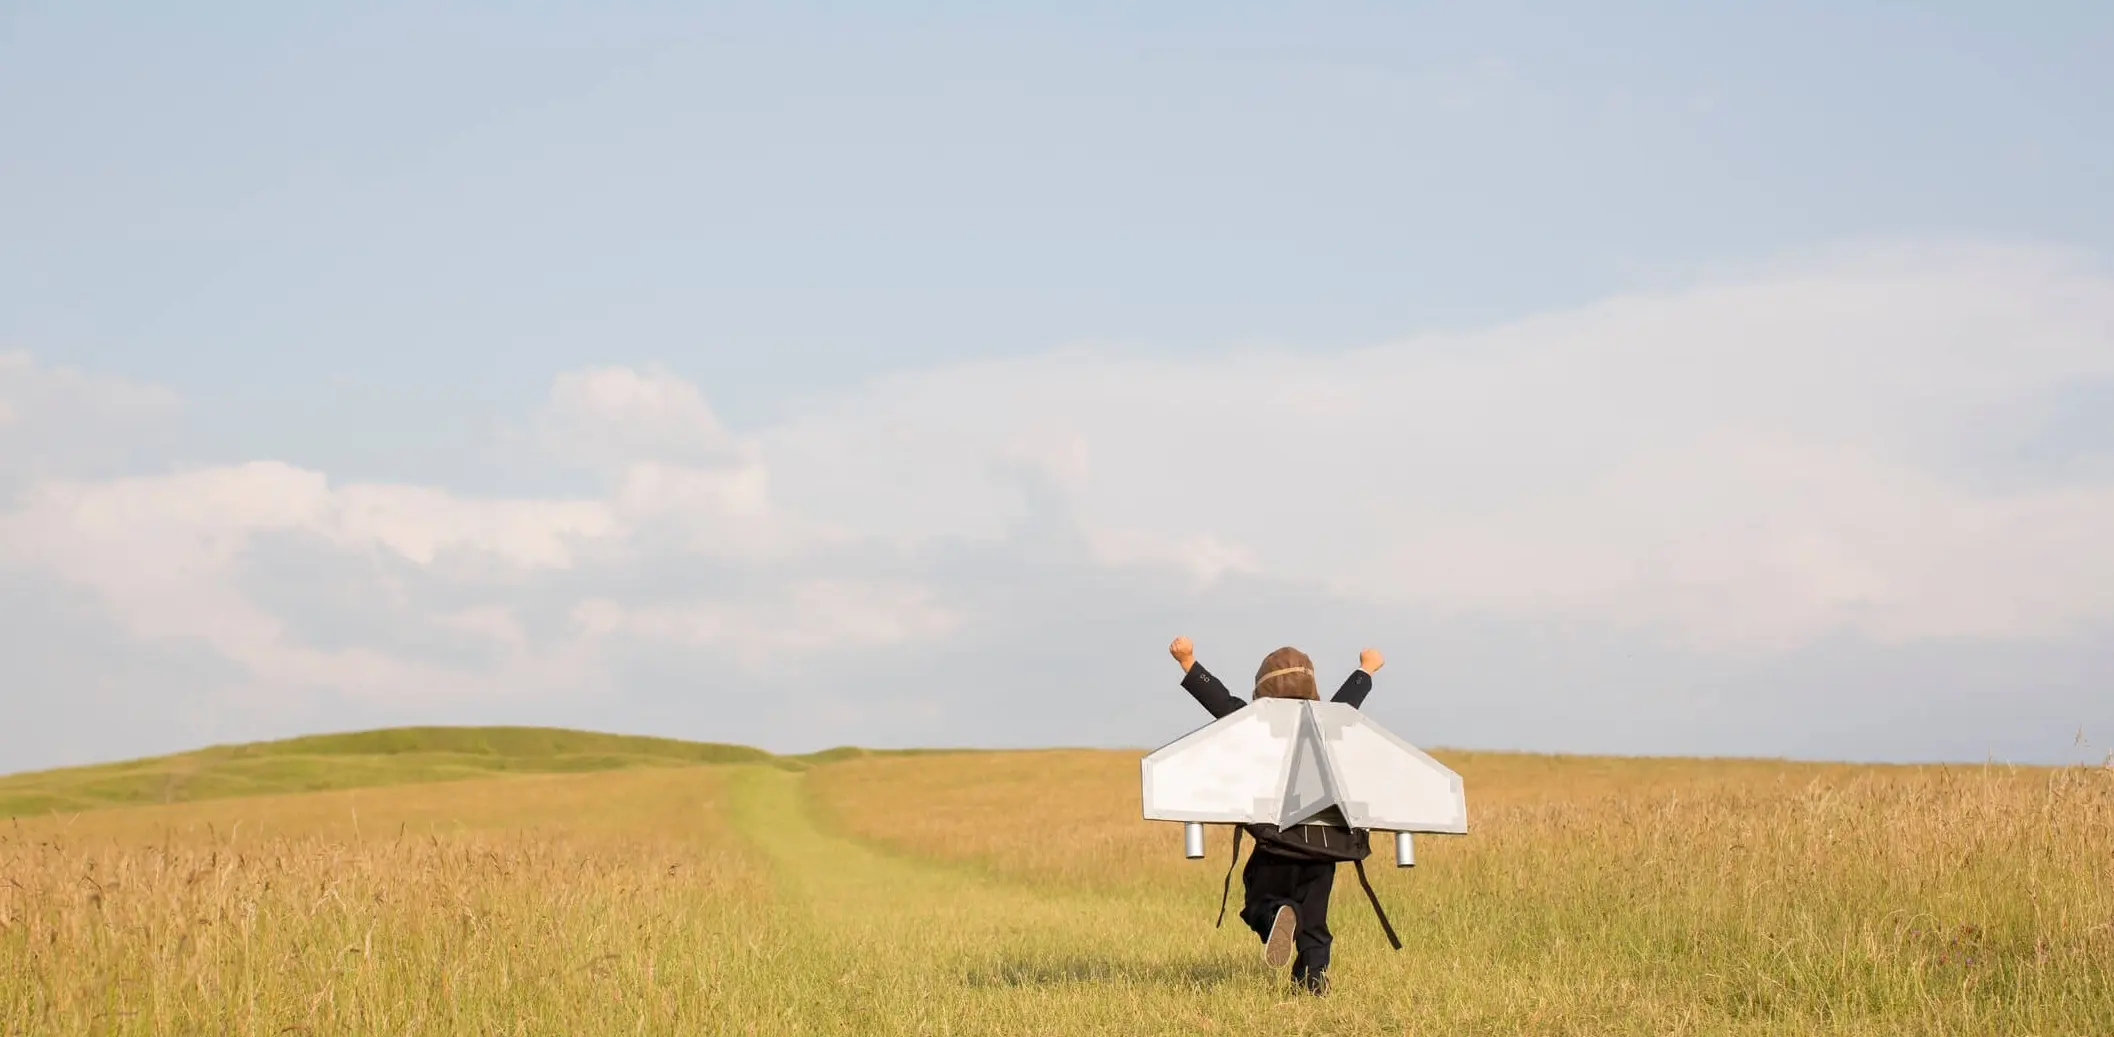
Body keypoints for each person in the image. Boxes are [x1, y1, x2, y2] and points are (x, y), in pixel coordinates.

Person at [1167, 635, 1385, 997]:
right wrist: (1366, 668)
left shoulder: (1255, 724)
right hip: (1325, 848)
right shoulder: (1328, 724)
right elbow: (1348, 703)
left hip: (1278, 843)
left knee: (1259, 901)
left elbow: (1218, 702)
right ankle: (1312, 982)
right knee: (1315, 923)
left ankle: (1276, 915)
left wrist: (1187, 661)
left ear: (1262, 691)